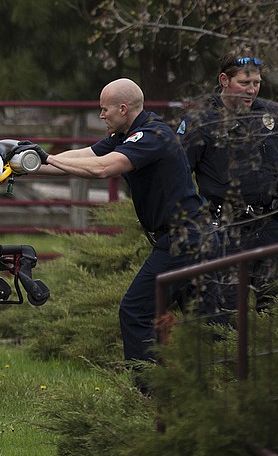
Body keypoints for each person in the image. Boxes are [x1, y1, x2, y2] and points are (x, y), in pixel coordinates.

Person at [38, 78, 219, 377]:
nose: (101, 116)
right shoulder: (127, 133)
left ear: (123, 109)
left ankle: (147, 392)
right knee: (207, 321)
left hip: (184, 239)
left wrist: (47, 160)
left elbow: (103, 168)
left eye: (104, 109)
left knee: (136, 311)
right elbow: (88, 155)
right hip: (186, 238)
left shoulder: (152, 135)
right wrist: (31, 161)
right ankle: (214, 386)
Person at [178, 53, 278, 309]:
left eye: (256, 82)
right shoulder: (200, 120)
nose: (252, 89)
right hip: (224, 230)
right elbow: (179, 178)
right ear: (224, 80)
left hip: (268, 225)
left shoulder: (272, 114)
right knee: (229, 315)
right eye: (244, 83)